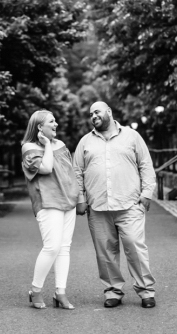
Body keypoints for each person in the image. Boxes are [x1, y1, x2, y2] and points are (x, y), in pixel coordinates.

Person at [73, 101, 158, 308]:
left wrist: (147, 193)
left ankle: (146, 291)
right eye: (91, 113)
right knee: (105, 253)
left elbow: (145, 164)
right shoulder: (85, 142)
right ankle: (113, 291)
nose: (93, 116)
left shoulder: (132, 136)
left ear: (109, 112)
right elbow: (76, 173)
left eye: (97, 111)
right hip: (98, 207)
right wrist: (81, 200)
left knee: (136, 249)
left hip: (129, 204)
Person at [21, 109, 82, 310]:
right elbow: (46, 168)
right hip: (47, 201)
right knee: (52, 247)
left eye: (55, 121)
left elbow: (70, 172)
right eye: (52, 121)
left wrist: (79, 197)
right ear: (40, 127)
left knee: (64, 247)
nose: (56, 124)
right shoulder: (29, 147)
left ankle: (60, 293)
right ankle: (35, 291)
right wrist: (47, 144)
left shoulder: (62, 145)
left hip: (67, 200)